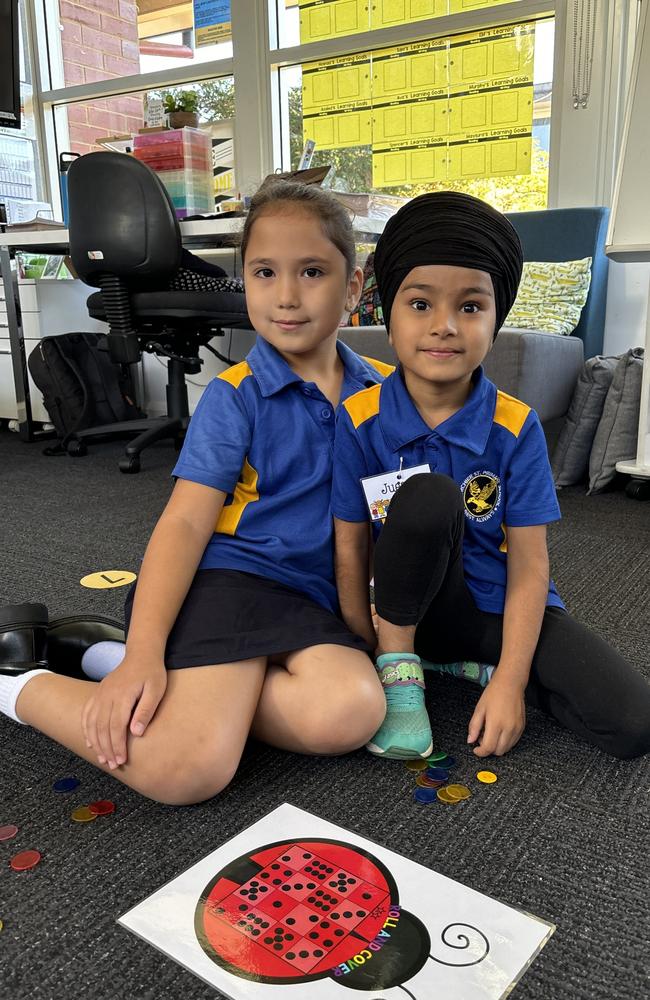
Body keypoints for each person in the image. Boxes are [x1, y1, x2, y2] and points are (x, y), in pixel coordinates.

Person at [0, 179, 390, 804]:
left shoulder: (387, 393)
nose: (287, 296)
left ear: (353, 287)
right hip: (231, 583)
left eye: (312, 272)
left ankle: (107, 656)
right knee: (186, 770)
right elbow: (183, 526)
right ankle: (17, 679)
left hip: (314, 599)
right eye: (265, 272)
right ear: (246, 282)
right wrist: (144, 656)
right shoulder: (237, 395)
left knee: (349, 712)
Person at [332, 191, 650, 762]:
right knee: (426, 498)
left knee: (633, 724)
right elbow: (350, 547)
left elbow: (530, 566)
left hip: (490, 611)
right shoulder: (359, 420)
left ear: (497, 318)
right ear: (388, 312)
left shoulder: (516, 426)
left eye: (471, 307)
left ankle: (462, 668)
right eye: (420, 304)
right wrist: (366, 641)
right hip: (400, 615)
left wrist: (509, 682)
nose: (445, 327)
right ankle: (404, 669)